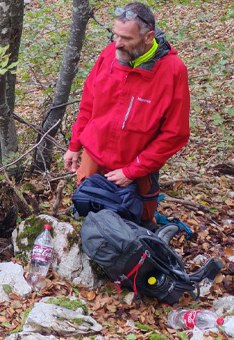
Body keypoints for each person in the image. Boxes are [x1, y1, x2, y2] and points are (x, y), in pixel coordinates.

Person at [63, 2, 190, 228]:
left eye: (126, 39)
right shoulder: (109, 55)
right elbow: (88, 104)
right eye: (115, 35)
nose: (117, 44)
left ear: (148, 37)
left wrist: (132, 171)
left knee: (134, 229)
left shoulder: (172, 70)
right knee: (84, 220)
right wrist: (75, 145)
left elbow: (175, 133)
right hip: (94, 159)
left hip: (137, 168)